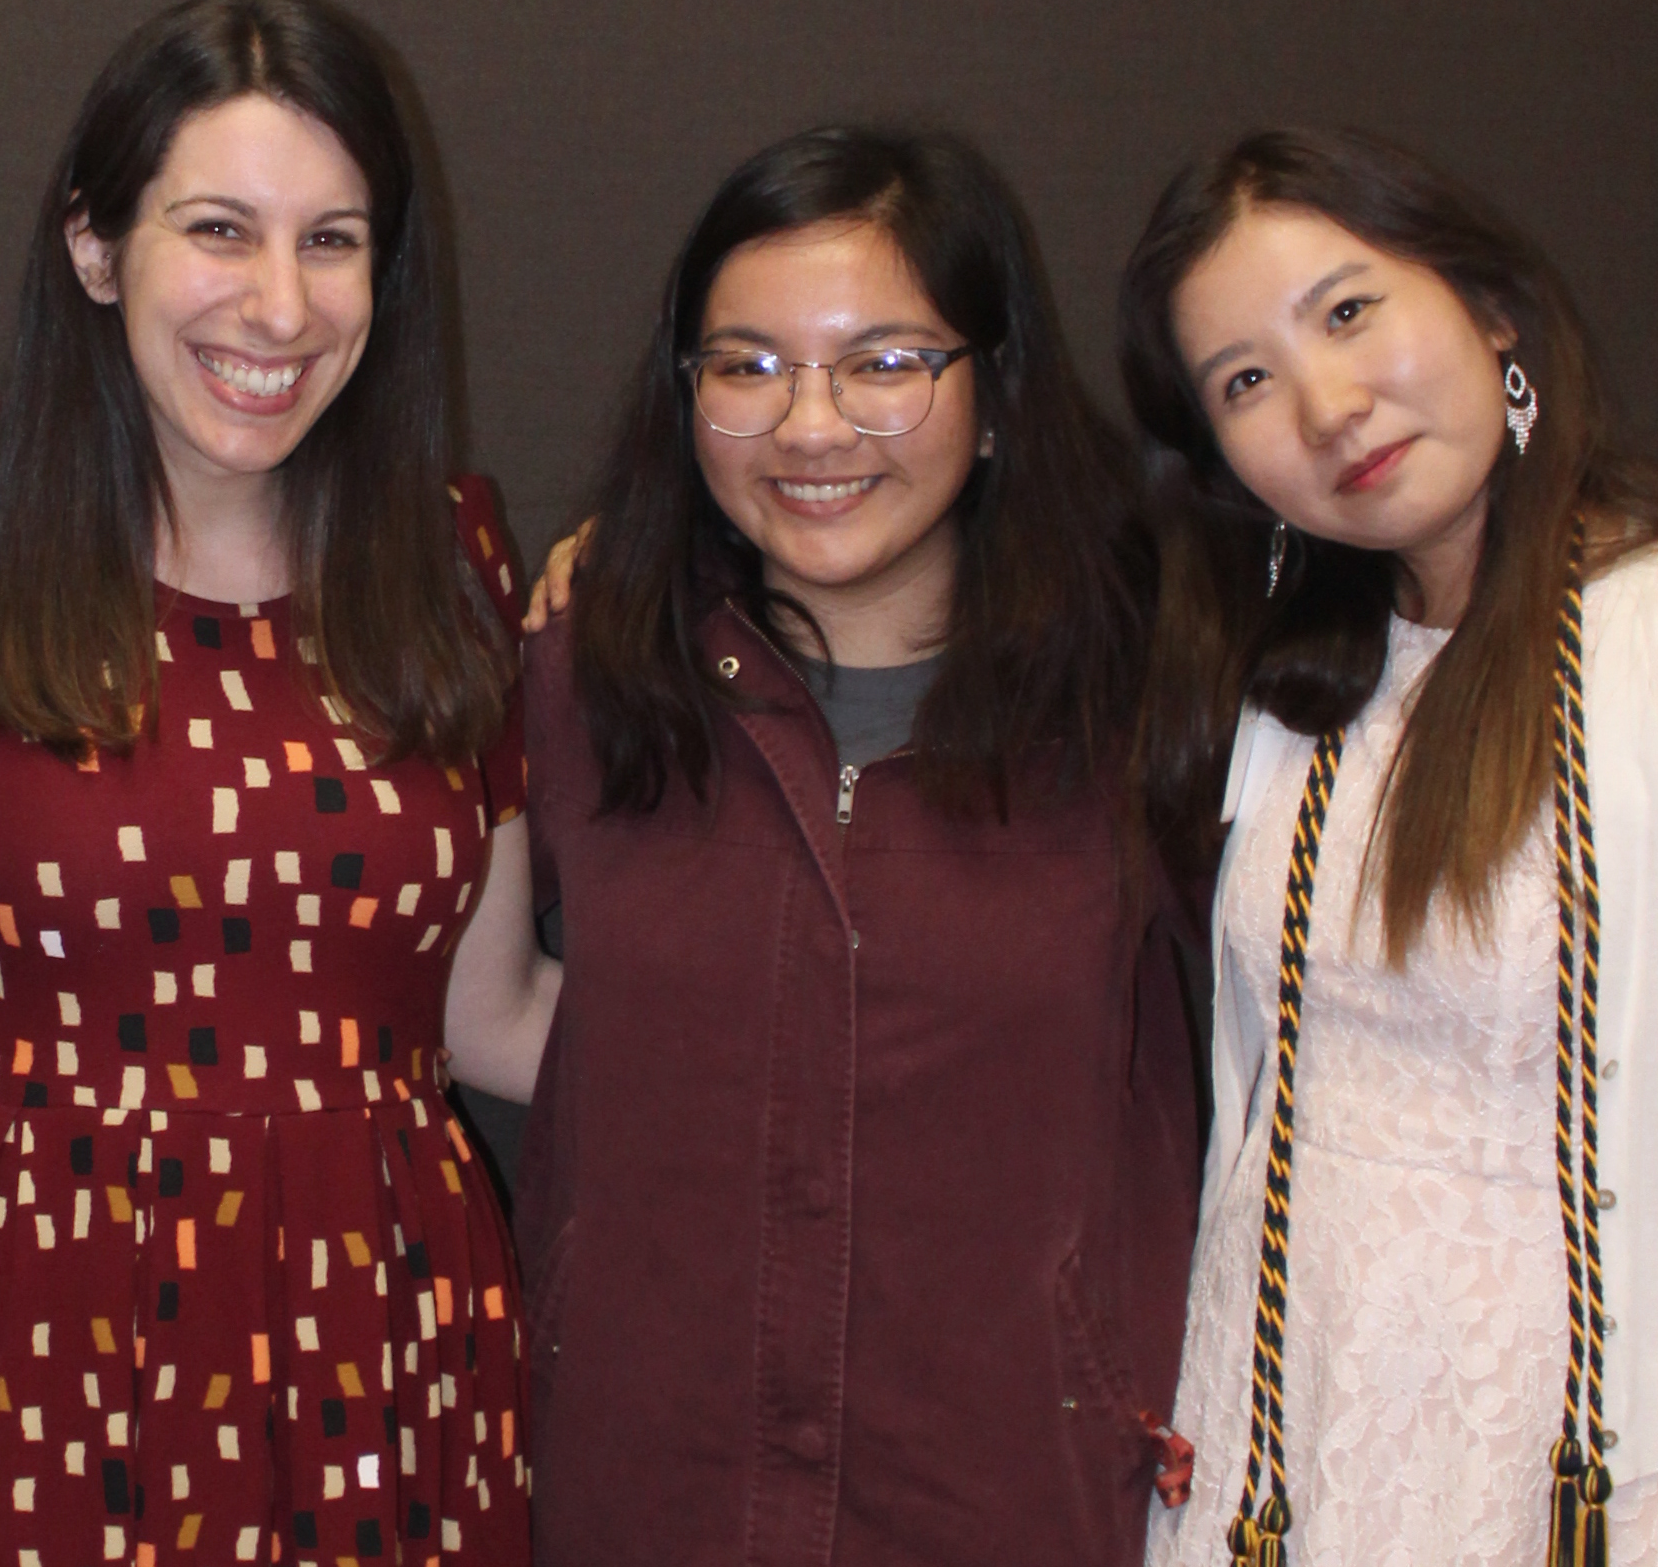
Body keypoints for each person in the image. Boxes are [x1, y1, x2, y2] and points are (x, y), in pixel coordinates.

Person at [0, 0, 551, 1567]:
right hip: (24, 1329)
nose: (279, 306)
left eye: (335, 240)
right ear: (96, 247)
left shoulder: (455, 566)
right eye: (220, 227)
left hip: (387, 1335)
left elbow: (491, 1015)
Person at [1119, 129, 1658, 1566]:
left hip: (1565, 1475)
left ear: (1489, 310)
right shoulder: (1287, 689)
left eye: (1348, 311)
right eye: (1245, 382)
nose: (1327, 404)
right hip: (1276, 1452)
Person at [512, 126, 1201, 1563]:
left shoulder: (1144, 704)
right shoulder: (585, 678)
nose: (809, 424)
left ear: (995, 394)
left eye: (884, 362)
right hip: (650, 1486)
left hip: (1013, 1489)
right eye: (746, 365)